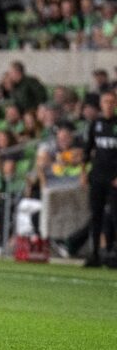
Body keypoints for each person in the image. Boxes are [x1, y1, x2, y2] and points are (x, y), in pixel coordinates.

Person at [81, 90, 117, 267]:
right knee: (96, 215)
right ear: (101, 105)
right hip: (97, 177)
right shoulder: (96, 124)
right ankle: (94, 253)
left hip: (114, 179)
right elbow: (87, 151)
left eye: (112, 102)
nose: (108, 105)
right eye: (105, 102)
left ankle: (113, 253)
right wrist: (83, 173)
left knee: (115, 216)